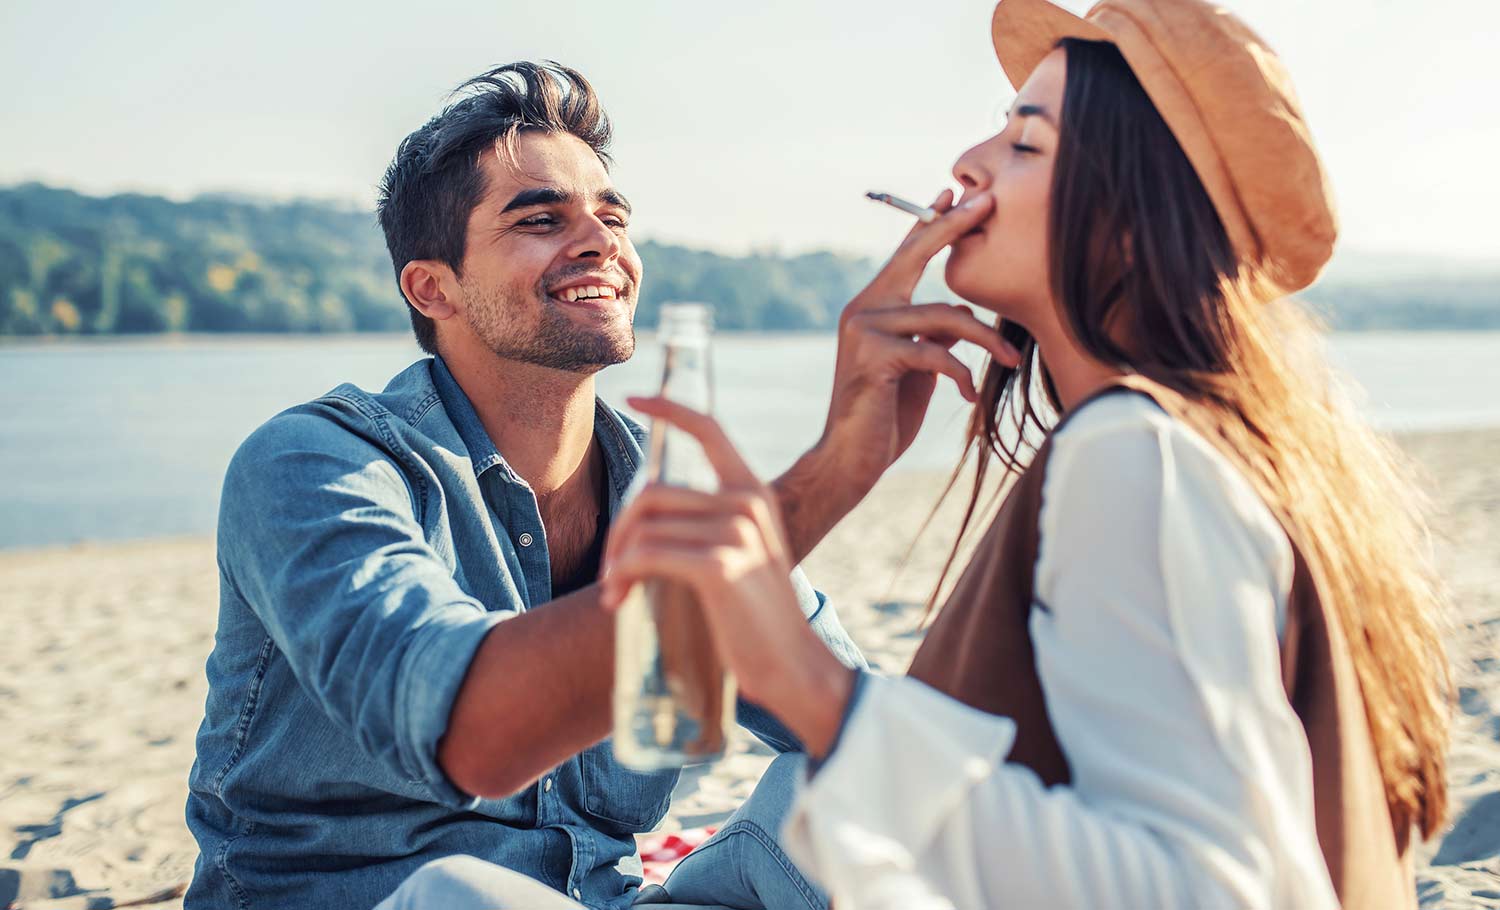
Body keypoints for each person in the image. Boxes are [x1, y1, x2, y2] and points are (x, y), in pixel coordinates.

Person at [597, 0, 1453, 908]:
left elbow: (1208, 891)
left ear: (1129, 221)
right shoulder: (1242, 449)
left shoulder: (1132, 456)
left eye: (1027, 142)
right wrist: (851, 448)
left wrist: (811, 688)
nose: (967, 164)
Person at [182, 61, 878, 910]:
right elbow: (473, 735)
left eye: (611, 215)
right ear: (433, 287)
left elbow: (867, 725)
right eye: (542, 218)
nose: (600, 241)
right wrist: (837, 469)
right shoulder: (313, 467)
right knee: (465, 895)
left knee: (864, 783)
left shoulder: (676, 498)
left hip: (610, 900)